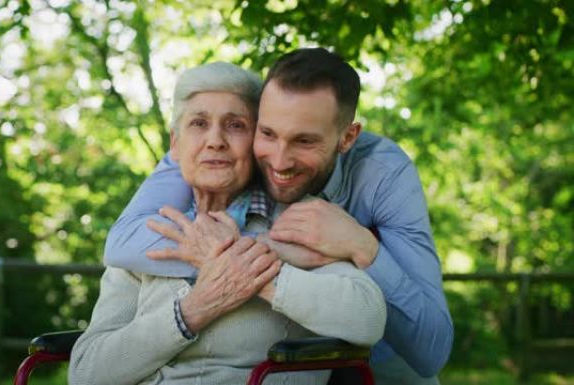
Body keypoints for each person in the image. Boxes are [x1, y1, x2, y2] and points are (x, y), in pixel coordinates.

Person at [104, 48, 454, 384]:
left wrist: (362, 246)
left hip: (379, 360)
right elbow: (121, 245)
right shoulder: (211, 151)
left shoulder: (382, 173)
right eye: (267, 134)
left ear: (347, 138)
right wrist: (268, 250)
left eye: (304, 141)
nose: (279, 161)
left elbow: (429, 352)